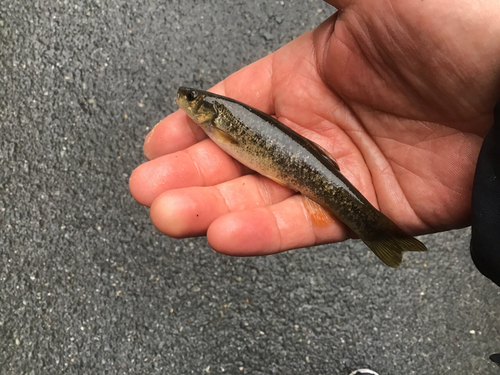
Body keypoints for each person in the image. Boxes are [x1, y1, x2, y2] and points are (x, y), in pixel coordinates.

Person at [129, 1, 500, 373]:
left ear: (210, 111)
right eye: (192, 98)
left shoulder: (221, 119)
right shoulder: (218, 120)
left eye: (193, 99)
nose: (188, 99)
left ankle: (378, 232)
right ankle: (380, 233)